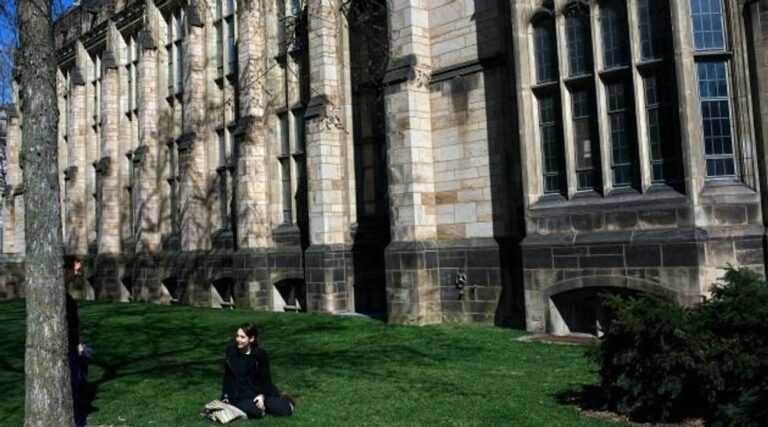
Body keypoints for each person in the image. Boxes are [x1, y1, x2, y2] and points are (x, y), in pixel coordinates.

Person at [220, 323, 294, 418]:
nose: (238, 339)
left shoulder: (260, 354)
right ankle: (255, 408)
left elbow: (265, 378)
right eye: (237, 336)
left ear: (251, 339)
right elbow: (228, 377)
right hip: (241, 393)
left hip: (259, 390)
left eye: (242, 337)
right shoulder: (231, 352)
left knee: (285, 411)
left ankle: (283, 400)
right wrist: (225, 397)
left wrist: (262, 396)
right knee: (255, 412)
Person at [66, 293, 88, 427]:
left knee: (87, 354)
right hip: (69, 345)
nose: (79, 274)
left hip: (73, 343)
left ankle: (77, 415)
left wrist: (78, 342)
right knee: (74, 379)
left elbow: (74, 325)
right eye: (77, 270)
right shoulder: (65, 299)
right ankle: (76, 419)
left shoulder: (69, 299)